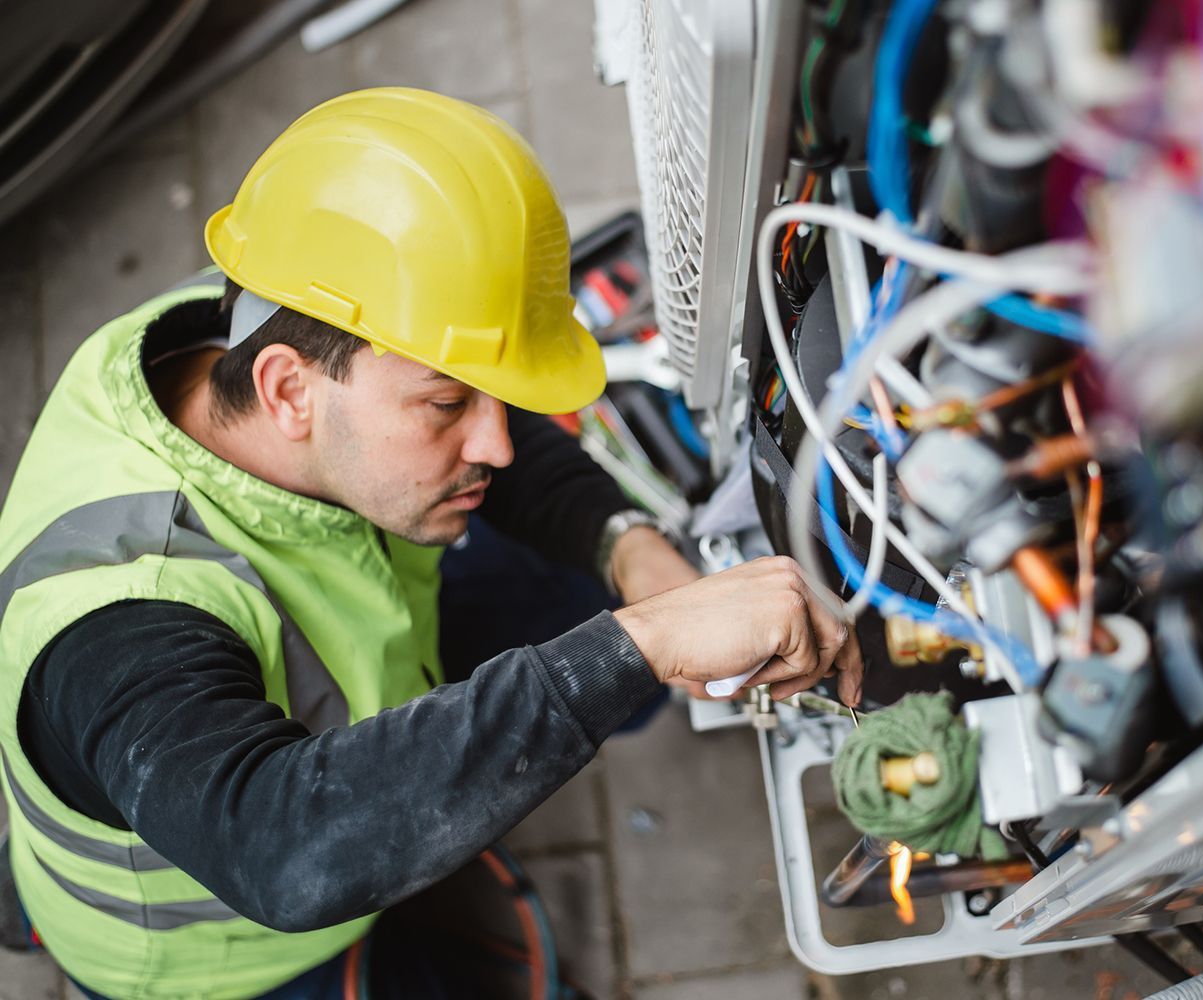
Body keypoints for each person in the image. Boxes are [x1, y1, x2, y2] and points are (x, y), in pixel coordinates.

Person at [0, 87, 860, 999]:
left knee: (563, 592)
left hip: (354, 645)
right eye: (448, 405)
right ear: (289, 391)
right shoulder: (123, 626)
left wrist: (628, 550)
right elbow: (285, 848)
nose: (494, 441)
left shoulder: (271, 314)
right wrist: (639, 643)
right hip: (233, 954)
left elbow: (500, 433)